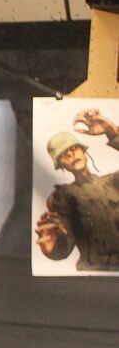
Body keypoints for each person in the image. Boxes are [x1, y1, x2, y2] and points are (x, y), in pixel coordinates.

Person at [35, 108, 119, 271]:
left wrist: (112, 132)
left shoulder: (114, 181)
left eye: (73, 149)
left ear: (84, 151)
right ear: (61, 165)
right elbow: (63, 247)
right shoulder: (63, 196)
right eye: (64, 155)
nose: (71, 155)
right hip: (95, 273)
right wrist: (52, 245)